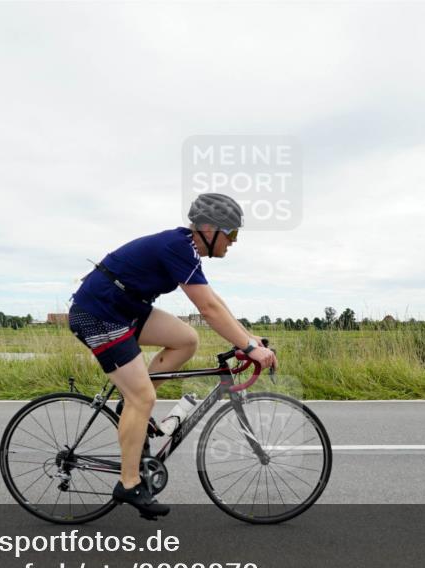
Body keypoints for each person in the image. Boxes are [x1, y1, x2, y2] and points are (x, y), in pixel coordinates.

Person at [68, 193, 278, 519]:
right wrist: (250, 349)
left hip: (126, 308)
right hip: (99, 313)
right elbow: (207, 310)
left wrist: (249, 339)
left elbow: (215, 302)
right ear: (208, 229)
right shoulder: (178, 246)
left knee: (186, 340)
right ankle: (129, 482)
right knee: (143, 397)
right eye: (231, 233)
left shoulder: (186, 248)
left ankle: (131, 405)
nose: (234, 242)